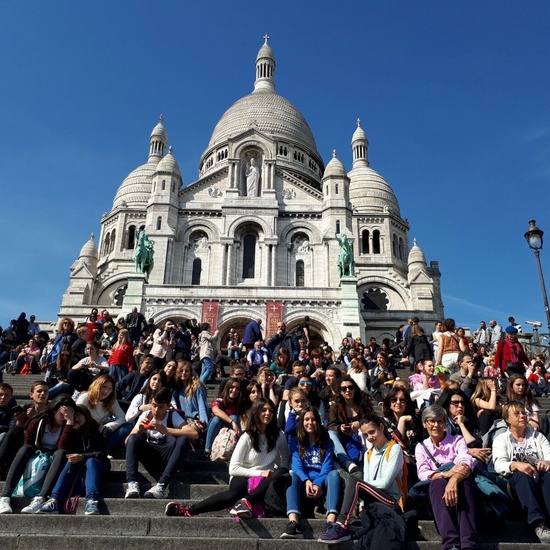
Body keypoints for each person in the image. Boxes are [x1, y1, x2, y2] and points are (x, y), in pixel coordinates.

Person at [165, 398, 289, 518]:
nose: (267, 413)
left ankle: (246, 501)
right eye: (263, 410)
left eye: (271, 410)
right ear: (256, 413)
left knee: (283, 471)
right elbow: (233, 469)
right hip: (243, 475)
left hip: (264, 482)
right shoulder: (247, 436)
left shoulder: (279, 435)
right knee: (234, 494)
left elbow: (285, 457)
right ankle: (189, 510)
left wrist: (272, 474)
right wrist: (259, 472)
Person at [319, 413, 405, 544]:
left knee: (354, 480)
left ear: (381, 427)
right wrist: (363, 505)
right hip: (374, 501)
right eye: (365, 435)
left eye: (372, 432)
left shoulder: (394, 448)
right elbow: (367, 481)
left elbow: (386, 483)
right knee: (356, 481)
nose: (370, 437)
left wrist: (358, 485)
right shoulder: (368, 454)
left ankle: (341, 524)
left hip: (391, 501)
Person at [0, 396, 78, 514]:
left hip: (55, 459)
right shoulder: (38, 421)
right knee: (25, 448)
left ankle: (40, 498)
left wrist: (69, 423)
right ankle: (5, 497)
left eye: (70, 413)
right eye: (63, 413)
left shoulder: (69, 426)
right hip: (36, 456)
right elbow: (28, 442)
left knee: (61, 453)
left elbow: (62, 447)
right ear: (54, 411)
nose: (66, 417)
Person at [415, 405, 477, 550]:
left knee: (465, 483)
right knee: (436, 483)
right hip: (437, 495)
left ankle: (468, 544)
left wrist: (453, 480)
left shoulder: (457, 440)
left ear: (445, 423)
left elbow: (466, 463)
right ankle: (451, 544)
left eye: (440, 421)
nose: (436, 425)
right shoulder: (421, 447)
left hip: (462, 489)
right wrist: (445, 474)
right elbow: (423, 474)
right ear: (424, 424)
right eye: (431, 421)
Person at [35, 406, 111, 515]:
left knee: (91, 461)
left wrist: (82, 457)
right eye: (73, 416)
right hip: (80, 472)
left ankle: (91, 502)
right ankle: (54, 500)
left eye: (78, 415)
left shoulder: (101, 430)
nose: (76, 418)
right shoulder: (75, 432)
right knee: (71, 460)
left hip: (99, 469)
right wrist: (72, 430)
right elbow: (63, 449)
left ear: (86, 414)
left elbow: (102, 454)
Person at [125, 387, 199, 499]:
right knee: (134, 438)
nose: (156, 410)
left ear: (168, 406)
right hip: (150, 456)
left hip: (168, 457)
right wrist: (140, 430)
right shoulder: (146, 415)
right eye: (154, 405)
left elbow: (194, 434)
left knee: (183, 439)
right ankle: (132, 484)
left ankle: (162, 485)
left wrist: (166, 430)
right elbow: (128, 442)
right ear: (150, 403)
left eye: (161, 407)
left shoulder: (172, 415)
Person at [492, 401, 550, 542]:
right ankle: (537, 523)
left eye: (523, 412)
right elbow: (499, 464)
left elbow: (549, 456)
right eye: (517, 413)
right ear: (507, 419)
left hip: (539, 481)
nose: (522, 415)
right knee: (521, 475)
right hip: (516, 486)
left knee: (548, 476)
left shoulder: (538, 436)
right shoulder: (501, 439)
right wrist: (516, 465)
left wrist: (546, 462)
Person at [282, 406, 341, 539]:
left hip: (322, 480)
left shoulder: (327, 443)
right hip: (303, 481)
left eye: (313, 419)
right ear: (302, 422)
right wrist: (307, 481)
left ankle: (331, 523)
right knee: (292, 474)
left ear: (318, 422)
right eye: (306, 419)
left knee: (334, 474)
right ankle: (293, 522)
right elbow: (296, 466)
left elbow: (327, 467)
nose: (310, 422)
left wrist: (318, 484)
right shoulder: (295, 442)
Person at [0, 381, 49, 474]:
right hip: (26, 440)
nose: (42, 393)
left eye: (45, 391)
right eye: (39, 391)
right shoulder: (26, 408)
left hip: (43, 443)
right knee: (14, 430)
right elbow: (17, 428)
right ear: (31, 395)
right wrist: (19, 423)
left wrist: (37, 417)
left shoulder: (52, 410)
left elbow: (51, 430)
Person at [328, 376, 372, 472]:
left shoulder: (363, 403)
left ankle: (370, 458)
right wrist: (341, 428)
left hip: (361, 435)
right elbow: (331, 426)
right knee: (331, 434)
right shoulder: (335, 406)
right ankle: (346, 462)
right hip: (343, 436)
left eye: (350, 387)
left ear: (355, 389)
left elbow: (372, 420)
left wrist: (360, 424)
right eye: (344, 389)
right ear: (340, 391)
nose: (348, 390)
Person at [77, 374, 132, 449]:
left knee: (127, 427)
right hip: (87, 431)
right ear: (97, 386)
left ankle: (102, 448)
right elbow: (77, 417)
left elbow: (122, 417)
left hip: (103, 431)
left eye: (110, 389)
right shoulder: (85, 398)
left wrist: (109, 426)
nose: (106, 391)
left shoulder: (111, 400)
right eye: (104, 387)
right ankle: (100, 448)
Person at [204, 378, 243, 457]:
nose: (234, 390)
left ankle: (239, 449)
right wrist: (232, 422)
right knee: (217, 419)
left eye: (237, 389)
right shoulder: (219, 401)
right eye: (232, 387)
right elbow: (216, 411)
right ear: (227, 388)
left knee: (234, 417)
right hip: (217, 429)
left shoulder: (240, 403)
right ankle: (207, 450)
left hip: (231, 434)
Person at [171, 360, 209, 428]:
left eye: (187, 371)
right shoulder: (177, 389)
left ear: (191, 372)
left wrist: (203, 422)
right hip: (182, 421)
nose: (184, 373)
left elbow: (202, 405)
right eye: (181, 371)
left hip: (195, 420)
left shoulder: (197, 386)